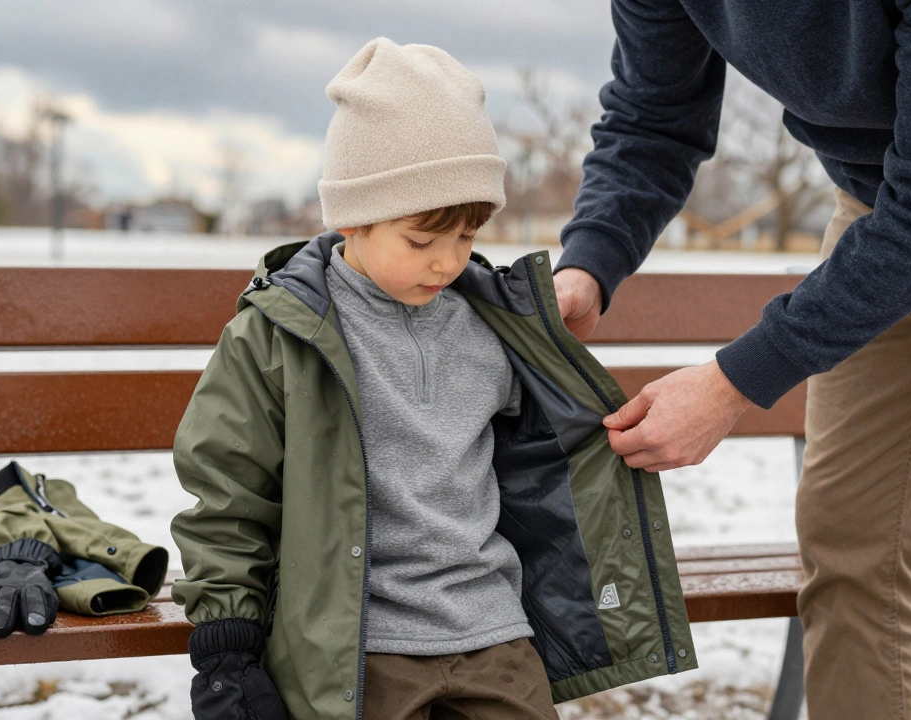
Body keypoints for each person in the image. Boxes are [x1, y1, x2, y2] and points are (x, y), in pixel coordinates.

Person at [551, 1, 911, 718]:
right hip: (885, 203)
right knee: (848, 541)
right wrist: (588, 264)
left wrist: (733, 382)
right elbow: (653, 118)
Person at [170, 37, 696, 720]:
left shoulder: (494, 327)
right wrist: (226, 643)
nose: (447, 261)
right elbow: (228, 492)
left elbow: (557, 464)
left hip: (496, 633)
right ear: (353, 216)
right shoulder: (280, 337)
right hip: (360, 646)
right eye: (422, 239)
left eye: (467, 237)